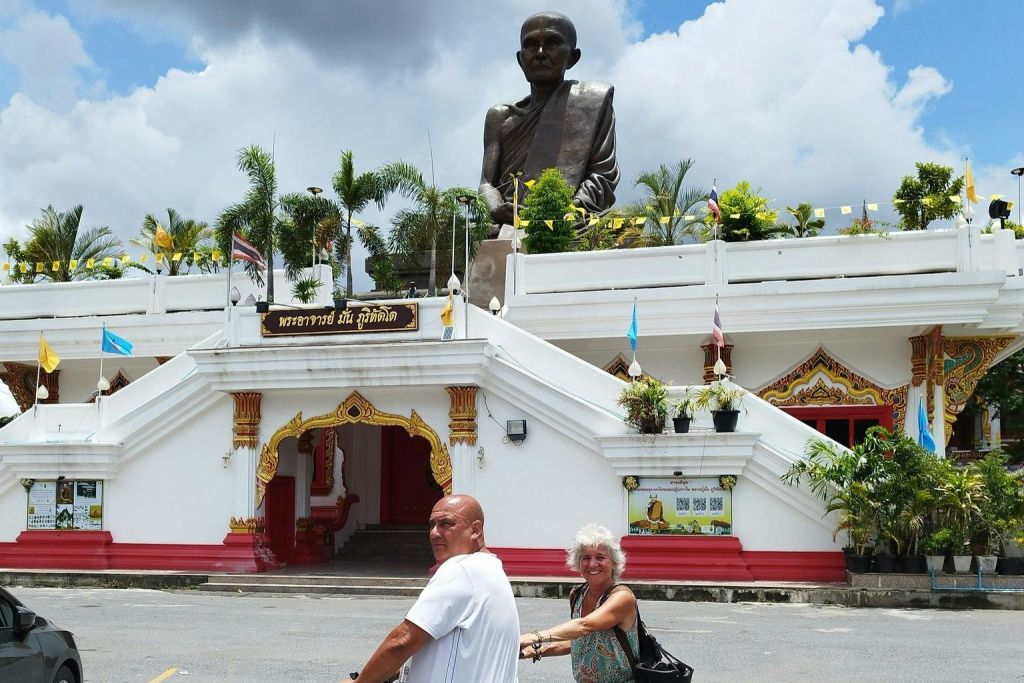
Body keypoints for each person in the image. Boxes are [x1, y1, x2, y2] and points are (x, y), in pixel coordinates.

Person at [350, 494, 519, 683]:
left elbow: (402, 640)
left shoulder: (461, 569)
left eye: (446, 523)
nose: (434, 533)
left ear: (475, 530)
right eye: (432, 525)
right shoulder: (491, 569)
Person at [479, 11, 619, 232]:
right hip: (507, 223)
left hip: (570, 219)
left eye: (553, 43)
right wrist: (496, 208)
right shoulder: (500, 117)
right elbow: (487, 183)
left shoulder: (591, 102)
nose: (540, 53)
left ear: (573, 57)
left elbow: (602, 175)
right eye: (531, 45)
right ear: (520, 59)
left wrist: (567, 212)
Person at [519, 524, 638, 683]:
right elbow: (578, 641)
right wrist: (532, 651)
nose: (592, 564)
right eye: (586, 558)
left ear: (613, 562)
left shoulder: (622, 597)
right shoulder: (577, 595)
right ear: (578, 562)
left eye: (600, 557)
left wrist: (534, 637)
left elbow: (584, 626)